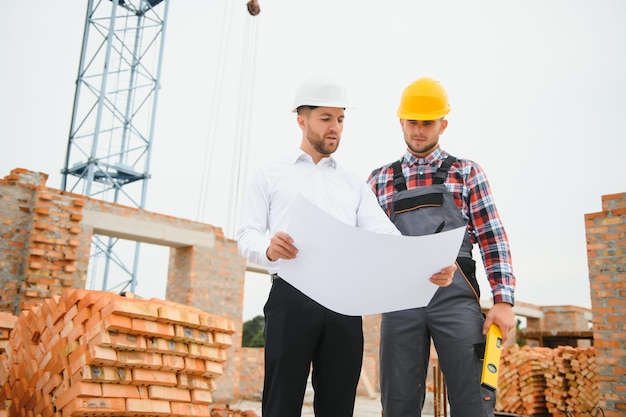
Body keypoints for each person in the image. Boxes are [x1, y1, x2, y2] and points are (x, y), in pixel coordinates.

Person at [236, 75, 456, 417]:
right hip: (291, 297)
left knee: (338, 405)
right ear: (301, 120)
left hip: (344, 306)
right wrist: (268, 248)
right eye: (325, 118)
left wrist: (429, 266)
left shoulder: (353, 184)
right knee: (281, 401)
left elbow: (387, 238)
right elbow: (247, 233)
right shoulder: (270, 174)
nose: (334, 127)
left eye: (340, 119)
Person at [367, 77, 517, 417]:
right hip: (400, 301)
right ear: (401, 121)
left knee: (472, 402)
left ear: (443, 124)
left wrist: (504, 301)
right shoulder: (379, 180)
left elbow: (492, 237)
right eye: (413, 121)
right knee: (399, 404)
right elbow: (368, 248)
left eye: (428, 122)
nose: (419, 130)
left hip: (455, 300)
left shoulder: (466, 173)